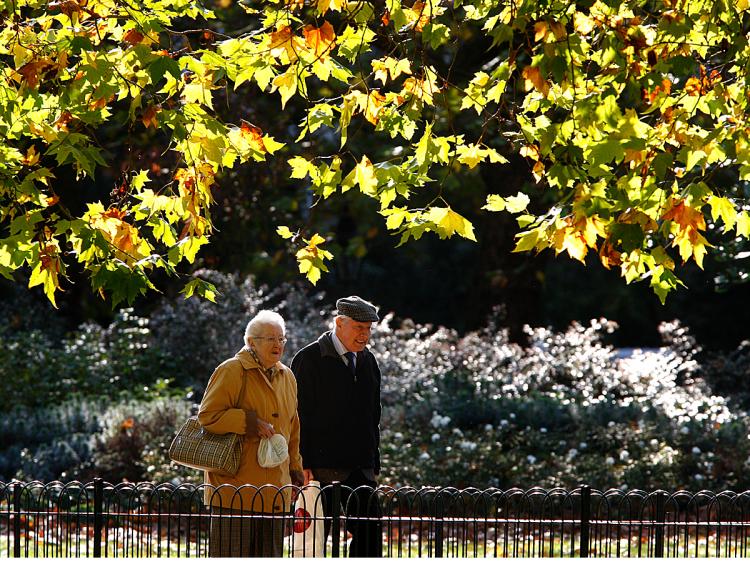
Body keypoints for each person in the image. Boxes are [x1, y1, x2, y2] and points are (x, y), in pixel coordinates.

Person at [198, 310, 304, 557]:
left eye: (281, 339)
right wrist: (249, 422)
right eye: (270, 339)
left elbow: (293, 428)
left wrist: (295, 472)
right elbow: (208, 417)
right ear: (251, 342)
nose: (278, 344)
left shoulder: (287, 376)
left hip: (274, 491)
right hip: (234, 491)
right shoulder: (232, 370)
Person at [291, 296, 383, 557]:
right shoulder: (309, 359)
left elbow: (373, 414)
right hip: (320, 467)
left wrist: (373, 462)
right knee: (316, 538)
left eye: (368, 329)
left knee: (370, 534)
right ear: (339, 323)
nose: (365, 335)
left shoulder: (369, 362)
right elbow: (298, 415)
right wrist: (303, 461)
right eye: (359, 327)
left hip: (361, 467)